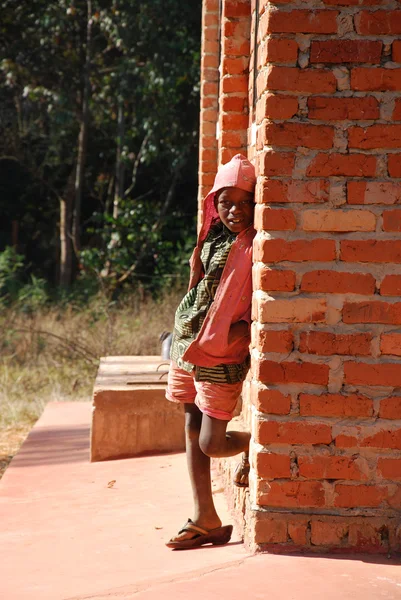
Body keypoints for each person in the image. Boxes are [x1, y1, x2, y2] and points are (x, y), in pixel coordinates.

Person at [165, 154, 256, 550]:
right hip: (188, 341)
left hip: (221, 351)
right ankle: (206, 518)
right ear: (214, 202)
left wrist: (241, 329)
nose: (234, 210)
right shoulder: (214, 232)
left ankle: (255, 442)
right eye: (226, 201)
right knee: (190, 423)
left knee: (211, 442)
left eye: (244, 201)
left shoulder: (255, 242)